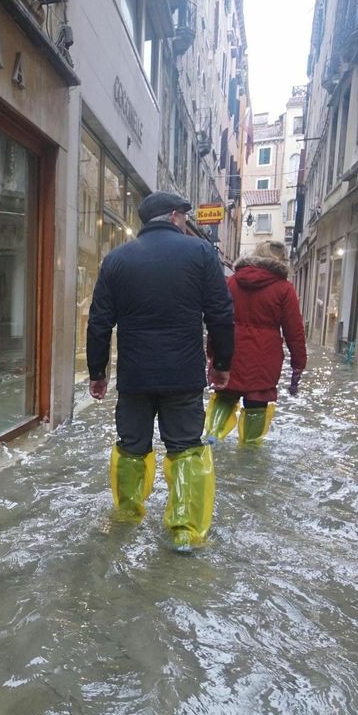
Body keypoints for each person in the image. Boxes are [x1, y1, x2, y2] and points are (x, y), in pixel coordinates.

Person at [88, 191, 235, 550]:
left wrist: (97, 371)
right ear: (174, 216)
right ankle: (185, 529)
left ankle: (126, 513)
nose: (185, 222)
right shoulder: (200, 253)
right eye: (184, 216)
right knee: (186, 448)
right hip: (183, 375)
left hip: (135, 376)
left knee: (132, 446)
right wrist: (222, 364)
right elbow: (221, 314)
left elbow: (99, 322)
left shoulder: (116, 260)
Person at [205, 240, 307, 446]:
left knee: (225, 396)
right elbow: (294, 332)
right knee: (257, 403)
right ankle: (249, 452)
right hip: (264, 359)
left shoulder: (231, 282)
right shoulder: (284, 289)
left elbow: (217, 321)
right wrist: (298, 365)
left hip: (230, 354)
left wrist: (212, 354)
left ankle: (211, 439)